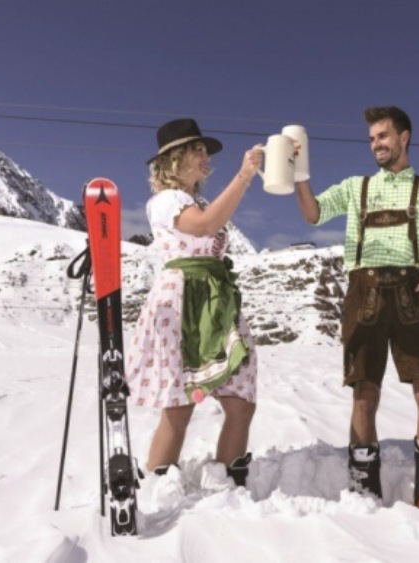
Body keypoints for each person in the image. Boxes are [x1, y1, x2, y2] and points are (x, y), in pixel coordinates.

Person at [294, 106, 419, 507]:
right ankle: (363, 488)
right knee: (363, 391)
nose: (376, 145)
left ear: (404, 137)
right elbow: (314, 213)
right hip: (364, 292)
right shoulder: (356, 187)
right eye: (372, 138)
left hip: (413, 293)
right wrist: (299, 174)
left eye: (383, 136)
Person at [126, 118, 261, 492]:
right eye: (197, 150)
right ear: (174, 159)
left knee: (241, 397)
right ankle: (157, 486)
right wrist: (245, 175)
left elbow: (207, 222)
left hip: (215, 299)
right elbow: (202, 226)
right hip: (185, 301)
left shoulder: (195, 200)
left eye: (205, 151)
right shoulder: (167, 201)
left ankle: (229, 479)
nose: (205, 157)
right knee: (181, 403)